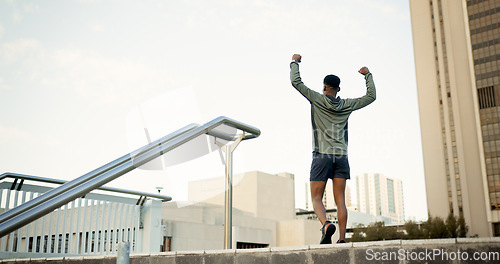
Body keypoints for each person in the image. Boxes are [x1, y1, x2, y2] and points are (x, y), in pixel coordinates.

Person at [290, 54, 376, 244]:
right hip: (342, 157)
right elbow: (371, 97)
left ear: (324, 87)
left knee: (316, 198)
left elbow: (296, 82)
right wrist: (367, 75)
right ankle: (342, 238)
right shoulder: (346, 105)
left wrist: (295, 62)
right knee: (340, 201)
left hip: (321, 155)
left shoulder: (317, 98)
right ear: (338, 89)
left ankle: (326, 224)